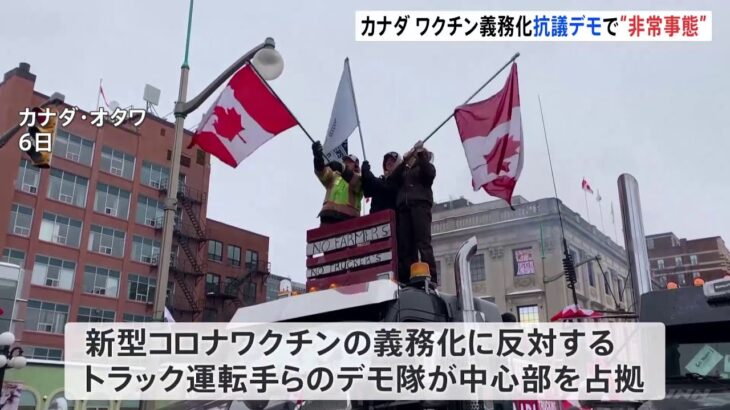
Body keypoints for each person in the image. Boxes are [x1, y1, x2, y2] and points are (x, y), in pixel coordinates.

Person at [391, 141, 437, 284]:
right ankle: (407, 276)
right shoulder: (404, 172)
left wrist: (421, 154)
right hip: (404, 208)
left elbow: (429, 174)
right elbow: (392, 179)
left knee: (423, 242)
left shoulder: (425, 168)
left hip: (420, 205)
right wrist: (404, 160)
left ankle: (431, 276)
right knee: (406, 245)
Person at [312, 141, 363, 226]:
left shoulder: (361, 178)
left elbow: (357, 184)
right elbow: (322, 173)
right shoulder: (334, 175)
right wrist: (318, 159)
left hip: (348, 218)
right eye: (344, 161)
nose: (345, 163)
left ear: (356, 165)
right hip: (327, 216)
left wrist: (341, 168)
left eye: (349, 162)